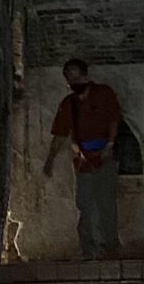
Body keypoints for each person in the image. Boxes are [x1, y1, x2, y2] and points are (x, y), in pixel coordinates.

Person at [43, 59, 122, 259]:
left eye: (77, 76)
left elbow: (113, 119)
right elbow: (60, 134)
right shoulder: (69, 104)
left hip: (105, 156)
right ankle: (89, 249)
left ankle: (110, 247)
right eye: (70, 78)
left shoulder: (103, 94)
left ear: (86, 76)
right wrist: (50, 160)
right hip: (83, 161)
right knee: (85, 204)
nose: (73, 81)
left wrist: (109, 145)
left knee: (106, 202)